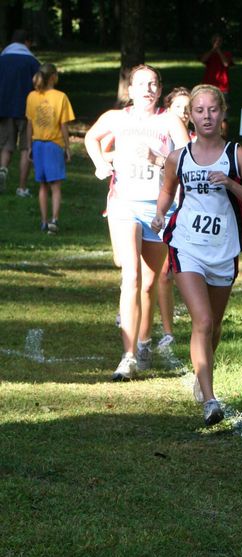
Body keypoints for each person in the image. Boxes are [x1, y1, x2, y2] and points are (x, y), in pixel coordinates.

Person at [152, 84, 242, 425]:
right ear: (190, 116)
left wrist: (231, 183)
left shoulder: (237, 155)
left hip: (223, 249)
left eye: (212, 110)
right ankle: (210, 399)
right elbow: (168, 190)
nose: (206, 116)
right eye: (199, 110)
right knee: (201, 321)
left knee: (213, 325)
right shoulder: (179, 157)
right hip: (187, 246)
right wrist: (160, 213)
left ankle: (203, 372)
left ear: (222, 114)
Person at [85, 65, 189, 381]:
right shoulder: (116, 118)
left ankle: (144, 342)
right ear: (130, 90)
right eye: (141, 84)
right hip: (124, 204)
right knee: (130, 276)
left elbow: (188, 161)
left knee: (148, 284)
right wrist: (100, 163)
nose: (147, 89)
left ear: (160, 90)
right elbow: (91, 137)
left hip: (159, 209)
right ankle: (127, 356)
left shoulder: (169, 121)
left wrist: (157, 159)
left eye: (153, 84)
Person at [155, 87, 194, 351]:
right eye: (178, 107)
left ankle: (175, 329)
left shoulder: (197, 142)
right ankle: (165, 330)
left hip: (186, 214)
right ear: (168, 109)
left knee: (168, 273)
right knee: (161, 273)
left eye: (187, 108)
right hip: (159, 209)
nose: (183, 113)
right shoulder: (158, 136)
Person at [25, 63, 75, 233]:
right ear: (53, 77)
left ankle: (43, 221)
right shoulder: (61, 97)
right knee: (55, 186)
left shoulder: (32, 96)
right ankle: (54, 220)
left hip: (38, 145)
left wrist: (29, 146)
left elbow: (29, 125)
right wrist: (67, 147)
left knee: (43, 186)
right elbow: (63, 126)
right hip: (54, 145)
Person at [0, 29, 40, 196]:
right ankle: (22, 187)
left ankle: (2, 170)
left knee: (6, 146)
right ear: (27, 42)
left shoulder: (2, 59)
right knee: (26, 148)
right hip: (27, 111)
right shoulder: (32, 62)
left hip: (4, 108)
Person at [200, 34, 234, 137]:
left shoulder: (226, 53)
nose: (217, 43)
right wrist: (213, 50)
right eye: (215, 41)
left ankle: (224, 137)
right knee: (206, 112)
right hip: (208, 87)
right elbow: (203, 60)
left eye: (219, 41)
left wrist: (218, 51)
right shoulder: (209, 54)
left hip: (222, 88)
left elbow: (226, 63)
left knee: (223, 115)